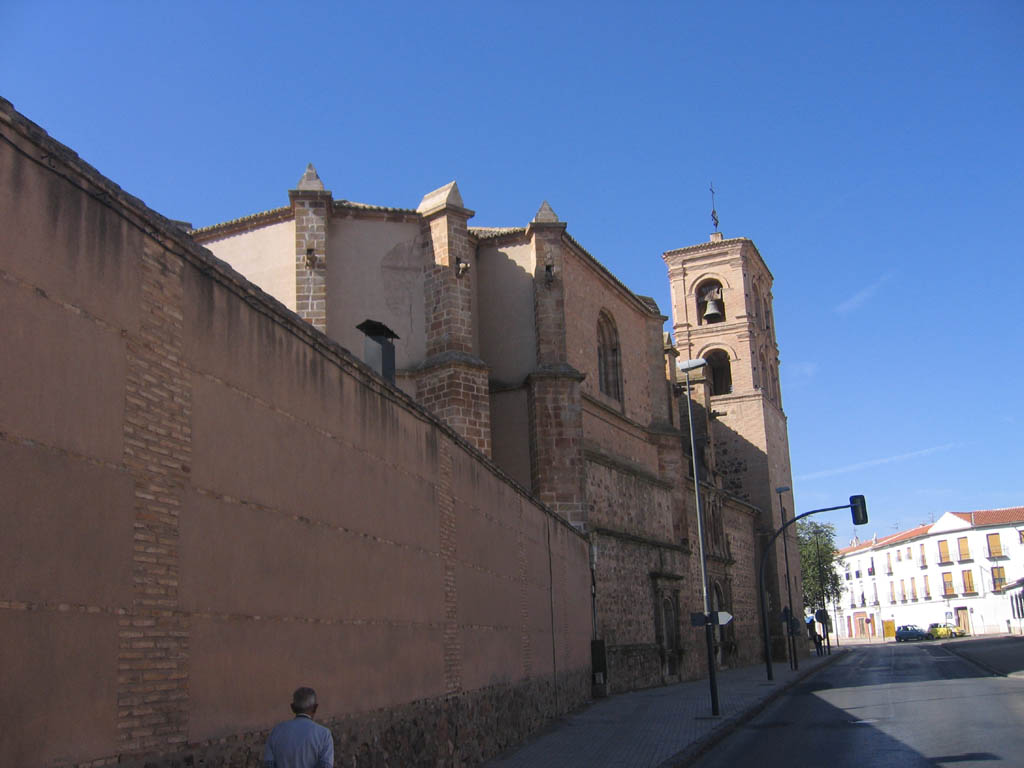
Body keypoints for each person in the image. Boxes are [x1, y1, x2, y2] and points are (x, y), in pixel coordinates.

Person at [264, 686, 334, 768]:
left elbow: (269, 765)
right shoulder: (324, 734)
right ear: (315, 708)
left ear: (292, 707)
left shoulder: (276, 732)